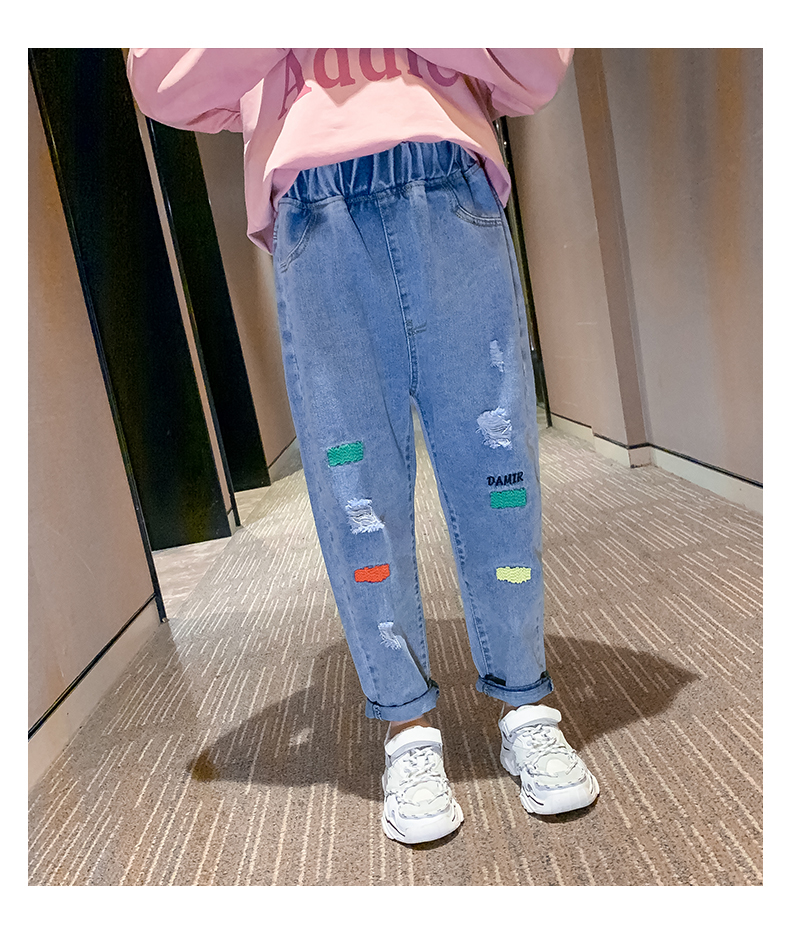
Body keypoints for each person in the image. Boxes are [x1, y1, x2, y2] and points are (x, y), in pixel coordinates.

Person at [127, 48, 599, 845]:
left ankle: (527, 702)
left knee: (500, 477)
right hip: (316, 212)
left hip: (449, 184)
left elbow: (537, 59)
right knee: (359, 498)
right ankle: (407, 727)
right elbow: (162, 78)